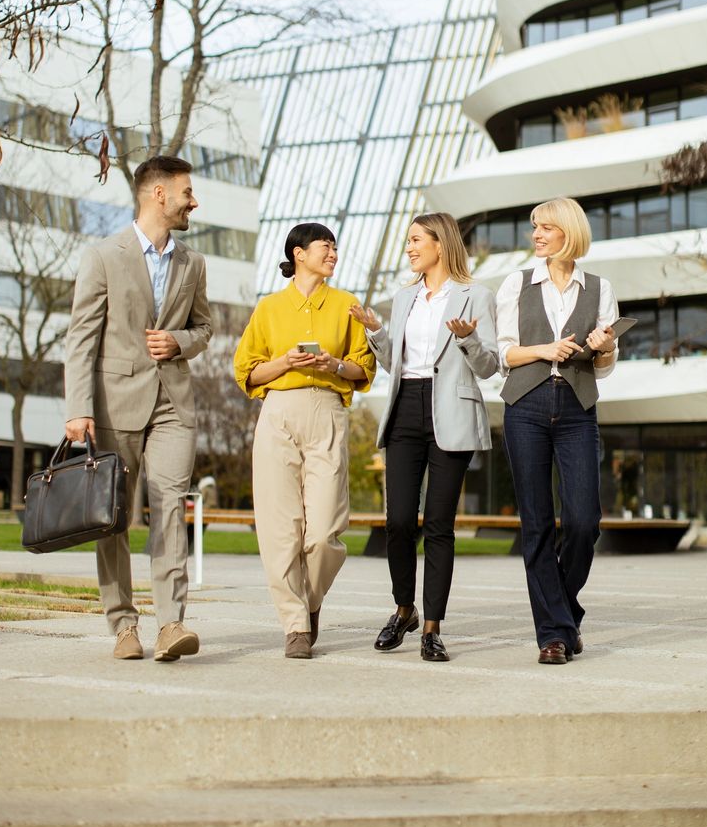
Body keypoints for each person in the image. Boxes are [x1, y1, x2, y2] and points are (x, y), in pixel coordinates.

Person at [65, 155, 212, 662]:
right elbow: (81, 337)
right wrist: (78, 408)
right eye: (187, 192)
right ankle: (123, 625)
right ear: (159, 194)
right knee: (115, 517)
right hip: (114, 404)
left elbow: (204, 328)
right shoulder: (104, 255)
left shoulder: (193, 263)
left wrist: (179, 342)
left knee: (170, 507)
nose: (193, 202)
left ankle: (171, 623)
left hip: (174, 403)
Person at [350, 213, 498, 662]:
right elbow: (396, 363)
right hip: (405, 408)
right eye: (409, 240)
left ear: (441, 243)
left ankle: (432, 627)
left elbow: (489, 366)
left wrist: (469, 340)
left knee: (438, 524)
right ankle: (404, 609)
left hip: (452, 410)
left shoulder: (477, 295)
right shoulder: (404, 297)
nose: (410, 248)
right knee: (398, 521)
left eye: (417, 239)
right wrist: (377, 333)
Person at [234, 222, 376, 659]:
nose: (333, 254)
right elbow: (247, 372)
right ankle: (295, 625)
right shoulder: (269, 308)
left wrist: (334, 365)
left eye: (335, 247)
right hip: (278, 412)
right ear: (298, 253)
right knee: (280, 530)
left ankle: (309, 601)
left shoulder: (347, 305)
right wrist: (284, 362)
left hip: (328, 412)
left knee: (325, 532)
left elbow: (364, 368)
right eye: (324, 247)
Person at [496, 196, 618, 666]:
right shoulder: (517, 283)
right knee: (538, 524)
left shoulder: (599, 288)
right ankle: (553, 635)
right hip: (525, 405)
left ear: (569, 230)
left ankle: (563, 616)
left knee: (585, 522)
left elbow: (603, 366)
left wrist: (604, 347)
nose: (537, 235)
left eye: (545, 227)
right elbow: (505, 354)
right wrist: (545, 349)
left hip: (576, 407)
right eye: (535, 227)